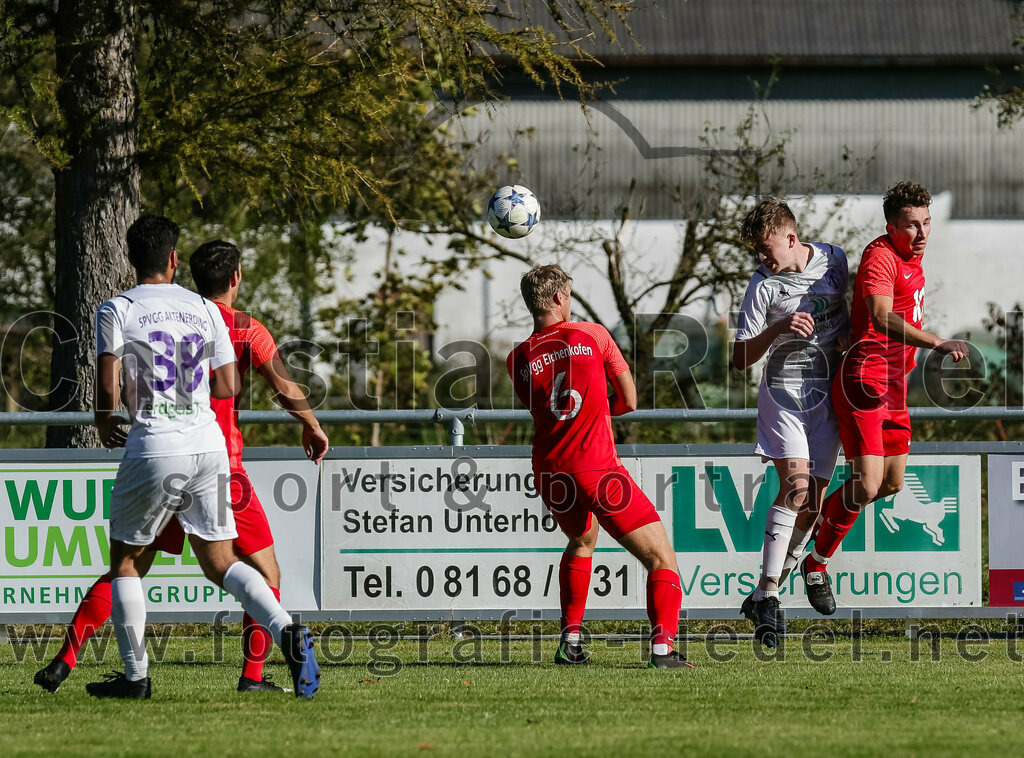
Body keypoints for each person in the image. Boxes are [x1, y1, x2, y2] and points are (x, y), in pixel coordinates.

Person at [34, 239, 329, 695]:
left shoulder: (161, 314)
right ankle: (256, 673)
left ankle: (66, 660)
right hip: (218, 464)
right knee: (260, 573)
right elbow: (281, 385)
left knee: (127, 566)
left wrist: (107, 415)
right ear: (236, 277)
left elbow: (112, 376)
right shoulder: (245, 328)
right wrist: (311, 424)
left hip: (156, 455)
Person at [507, 265, 693, 669]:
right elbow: (629, 402)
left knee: (580, 542)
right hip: (595, 468)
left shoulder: (517, 357)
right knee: (662, 558)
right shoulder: (591, 335)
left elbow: (544, 412)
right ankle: (663, 650)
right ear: (559, 298)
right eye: (568, 295)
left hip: (550, 471)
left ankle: (569, 643)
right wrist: (596, 410)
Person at [800, 183, 968, 614]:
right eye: (911, 225)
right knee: (869, 483)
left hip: (895, 387)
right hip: (862, 382)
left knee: (891, 484)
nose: (922, 232)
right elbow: (878, 315)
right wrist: (936, 342)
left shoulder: (914, 256)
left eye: (926, 222)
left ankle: (825, 517)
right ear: (891, 226)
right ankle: (816, 564)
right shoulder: (881, 257)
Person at [732, 198, 850, 646]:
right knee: (796, 490)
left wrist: (848, 337)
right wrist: (777, 331)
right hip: (783, 395)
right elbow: (740, 357)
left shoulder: (834, 259)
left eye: (767, 249)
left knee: (813, 504)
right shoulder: (762, 286)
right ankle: (770, 599)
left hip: (827, 395)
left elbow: (852, 308)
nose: (763, 259)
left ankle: (765, 593)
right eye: (757, 253)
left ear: (791, 238)